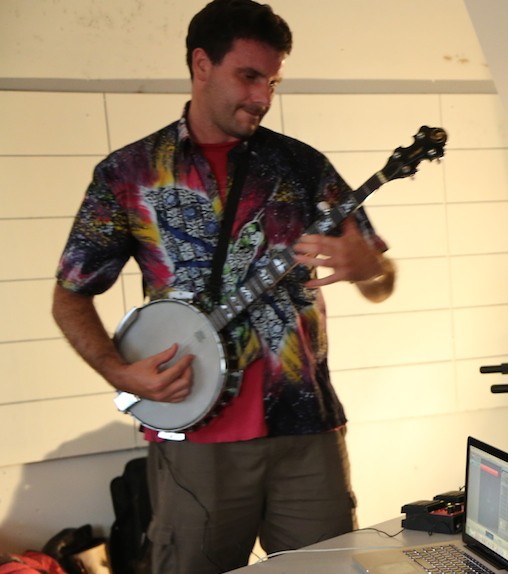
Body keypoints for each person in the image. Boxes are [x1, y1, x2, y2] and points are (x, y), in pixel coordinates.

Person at [52, 1, 396, 572]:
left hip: (305, 431)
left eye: (273, 82)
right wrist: (118, 371)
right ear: (201, 64)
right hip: (194, 439)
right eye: (249, 76)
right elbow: (70, 295)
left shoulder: (302, 166)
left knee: (330, 569)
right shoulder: (130, 173)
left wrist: (370, 269)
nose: (263, 97)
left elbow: (382, 280)